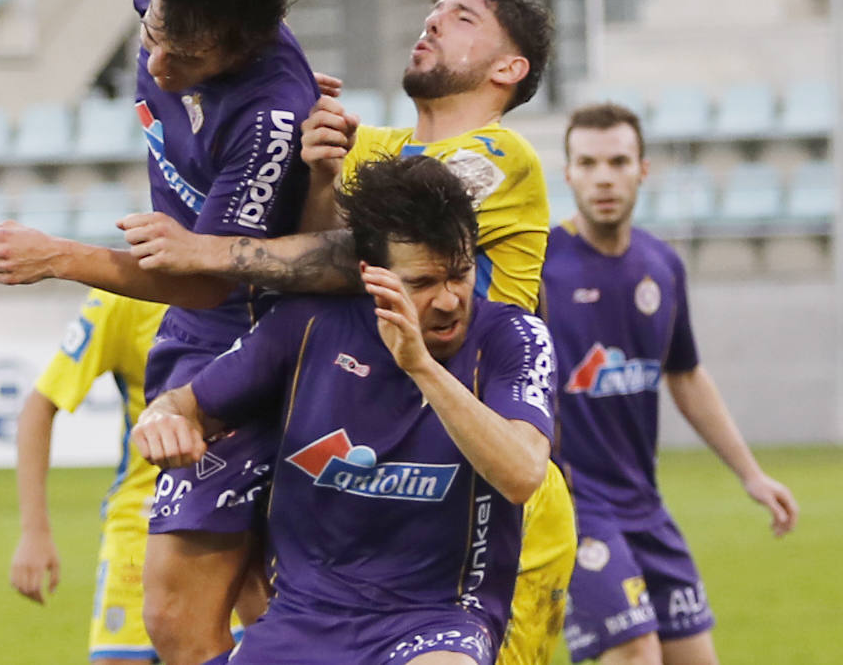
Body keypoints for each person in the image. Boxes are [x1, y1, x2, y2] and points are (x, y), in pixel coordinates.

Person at [122, 0, 576, 665]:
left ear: (509, 67)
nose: (433, 20)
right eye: (435, 9)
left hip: (480, 496)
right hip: (376, 477)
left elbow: (342, 256)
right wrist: (326, 172)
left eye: (463, 18)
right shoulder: (380, 149)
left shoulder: (500, 158)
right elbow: (321, 261)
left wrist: (202, 253)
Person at [0, 0, 321, 665]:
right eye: (150, 34)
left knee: (214, 615)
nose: (155, 63)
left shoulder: (269, 117)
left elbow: (208, 279)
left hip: (250, 349)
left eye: (185, 56)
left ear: (243, 44)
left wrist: (59, 256)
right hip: (191, 340)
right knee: (207, 615)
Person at [131, 156, 558, 665]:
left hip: (438, 620)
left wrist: (420, 366)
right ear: (368, 274)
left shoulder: (513, 338)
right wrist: (161, 420)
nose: (448, 301)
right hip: (303, 620)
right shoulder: (305, 325)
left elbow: (523, 475)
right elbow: (189, 403)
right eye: (421, 283)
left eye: (460, 274)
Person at [542, 102, 799, 665]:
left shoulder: (661, 266)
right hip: (574, 505)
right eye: (587, 163)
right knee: (635, 652)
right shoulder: (541, 266)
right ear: (568, 174)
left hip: (645, 504)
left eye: (617, 161)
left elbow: (684, 374)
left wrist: (750, 474)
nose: (603, 176)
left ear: (643, 170)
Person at [11, 290, 166, 664]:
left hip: (237, 531)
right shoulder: (125, 297)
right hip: (143, 527)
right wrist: (35, 532)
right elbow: (39, 405)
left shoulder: (249, 280)